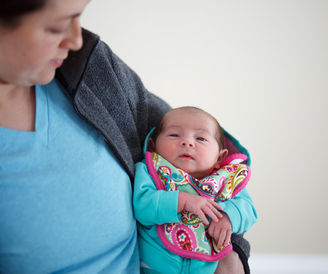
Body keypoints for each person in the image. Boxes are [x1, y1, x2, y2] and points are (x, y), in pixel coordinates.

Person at [0, 0, 253, 273]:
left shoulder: (91, 68)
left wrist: (230, 252)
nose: (76, 40)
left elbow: (199, 153)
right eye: (57, 26)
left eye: (79, 17)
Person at [134, 107, 257, 273]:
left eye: (200, 138)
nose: (187, 142)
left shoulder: (225, 179)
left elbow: (248, 209)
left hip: (209, 267)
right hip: (156, 266)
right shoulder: (150, 172)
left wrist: (227, 218)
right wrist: (183, 201)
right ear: (153, 146)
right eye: (174, 135)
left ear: (219, 157)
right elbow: (142, 206)